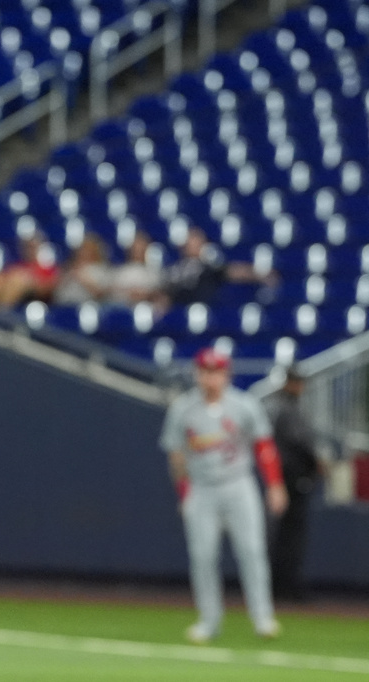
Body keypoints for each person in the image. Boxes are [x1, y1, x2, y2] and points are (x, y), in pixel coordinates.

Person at [159, 347, 288, 644]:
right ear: (197, 374)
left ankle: (262, 617)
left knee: (252, 551)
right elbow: (177, 455)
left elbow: (264, 446)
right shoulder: (183, 408)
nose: (210, 378)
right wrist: (184, 493)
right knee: (203, 556)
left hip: (238, 484)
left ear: (226, 374)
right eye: (205, 372)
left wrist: (274, 484)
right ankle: (209, 621)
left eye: (216, 372)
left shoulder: (244, 405)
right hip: (202, 488)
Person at [266, 367, 322, 602]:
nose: (300, 386)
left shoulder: (286, 406)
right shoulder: (286, 407)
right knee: (290, 535)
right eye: (296, 382)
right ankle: (285, 586)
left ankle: (282, 584)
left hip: (288, 477)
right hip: (291, 478)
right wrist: (316, 461)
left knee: (287, 534)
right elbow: (299, 442)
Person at [156, 226, 274, 310]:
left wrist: (259, 274)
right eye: (189, 241)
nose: (190, 245)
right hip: (179, 311)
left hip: (205, 308)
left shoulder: (209, 266)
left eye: (195, 241)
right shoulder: (175, 268)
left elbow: (233, 271)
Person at [0, 230, 60, 308]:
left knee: (17, 281)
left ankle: (0, 314)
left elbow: (48, 288)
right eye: (26, 246)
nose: (29, 250)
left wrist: (30, 281)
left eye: (32, 246)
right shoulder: (19, 264)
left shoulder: (46, 267)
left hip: (34, 298)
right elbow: (4, 278)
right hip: (11, 291)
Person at [51, 232, 112, 306]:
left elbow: (102, 294)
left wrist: (82, 278)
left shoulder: (101, 269)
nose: (83, 253)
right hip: (63, 305)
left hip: (89, 306)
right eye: (82, 250)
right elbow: (54, 291)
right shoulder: (69, 268)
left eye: (87, 250)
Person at [106, 231, 162, 307]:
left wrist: (144, 294)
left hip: (148, 307)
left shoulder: (154, 272)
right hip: (124, 307)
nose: (139, 252)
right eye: (136, 248)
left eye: (142, 248)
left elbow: (157, 291)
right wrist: (129, 293)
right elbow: (112, 291)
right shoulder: (122, 272)